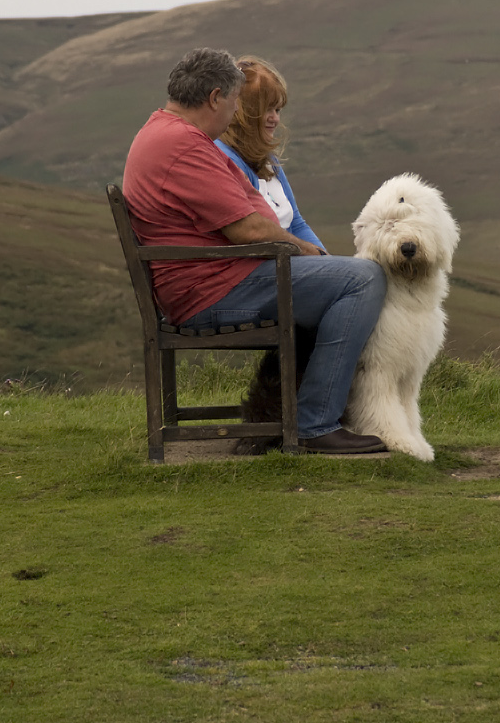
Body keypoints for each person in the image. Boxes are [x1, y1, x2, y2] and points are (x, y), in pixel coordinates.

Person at [120, 47, 387, 454]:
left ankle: (297, 416)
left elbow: (255, 214)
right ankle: (314, 424)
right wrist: (312, 256)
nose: (233, 114)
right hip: (213, 291)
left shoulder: (166, 133)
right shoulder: (183, 145)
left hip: (215, 281)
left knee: (345, 280)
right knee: (363, 279)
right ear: (214, 98)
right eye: (232, 102)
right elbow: (249, 229)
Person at [213, 56, 326, 251]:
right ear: (243, 112)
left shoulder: (268, 161)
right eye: (267, 110)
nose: (275, 118)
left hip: (290, 261)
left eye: (278, 109)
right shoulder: (226, 159)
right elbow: (254, 234)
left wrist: (326, 260)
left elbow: (297, 224)